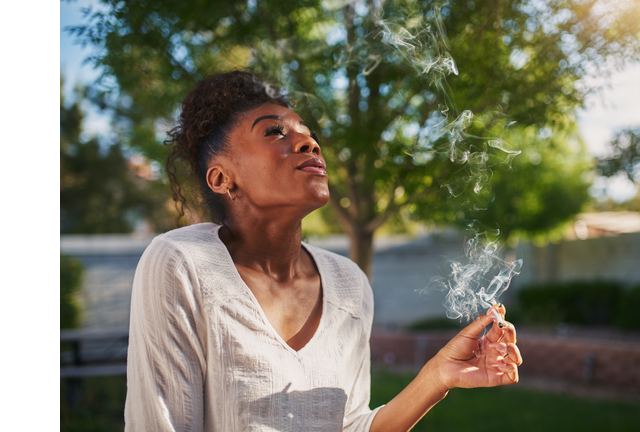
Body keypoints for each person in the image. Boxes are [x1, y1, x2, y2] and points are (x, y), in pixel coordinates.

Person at [124, 70, 522, 432]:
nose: (308, 142)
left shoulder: (349, 284)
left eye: (307, 133)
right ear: (222, 177)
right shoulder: (182, 263)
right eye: (274, 133)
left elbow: (349, 427)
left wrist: (437, 377)